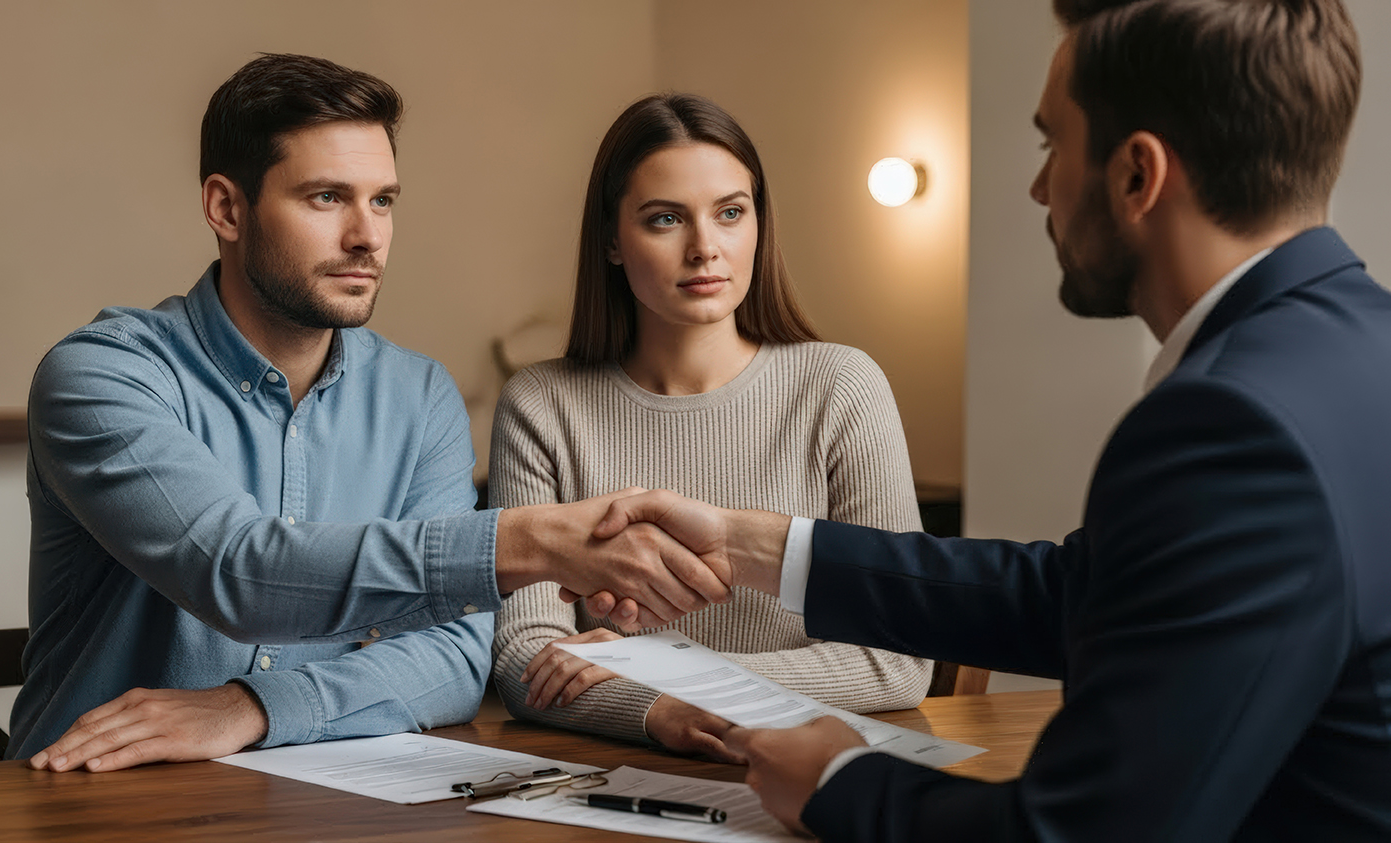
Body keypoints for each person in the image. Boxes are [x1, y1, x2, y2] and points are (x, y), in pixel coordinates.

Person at [590, 0, 1391, 839]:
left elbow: (1080, 831)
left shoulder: (1231, 422)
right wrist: (751, 545)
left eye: (1052, 145)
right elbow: (1078, 595)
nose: (1040, 185)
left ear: (1136, 176)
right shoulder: (1353, 351)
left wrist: (837, 782)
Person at [14, 53, 731, 774]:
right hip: (89, 795)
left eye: (382, 200)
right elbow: (238, 573)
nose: (368, 236)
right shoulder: (101, 375)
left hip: (312, 799)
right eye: (327, 198)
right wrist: (532, 539)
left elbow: (451, 657)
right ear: (226, 208)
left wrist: (253, 707)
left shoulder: (419, 398)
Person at [489, 93, 931, 760]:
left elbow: (895, 662)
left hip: (814, 769)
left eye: (730, 212)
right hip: (622, 778)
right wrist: (655, 709)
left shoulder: (842, 387)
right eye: (665, 219)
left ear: (759, 222)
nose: (705, 248)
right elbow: (528, 658)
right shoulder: (541, 404)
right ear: (612, 239)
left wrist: (674, 674)